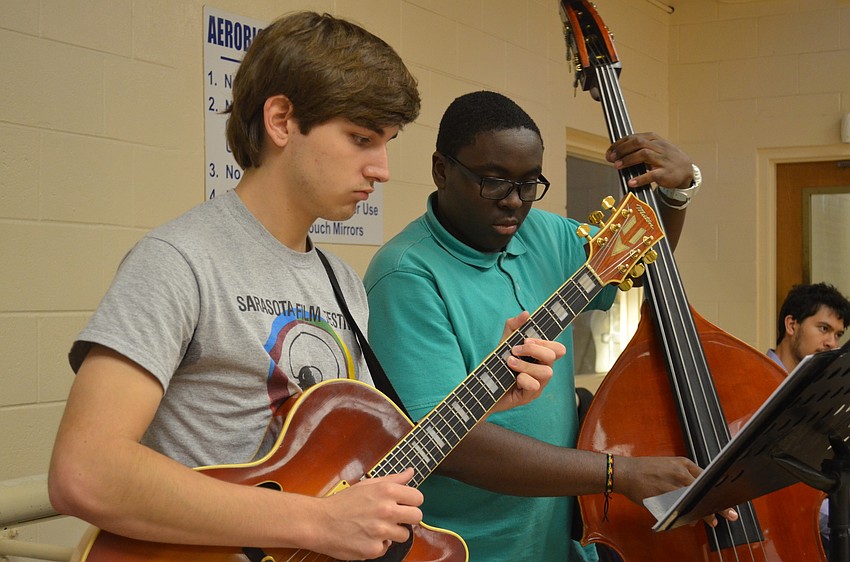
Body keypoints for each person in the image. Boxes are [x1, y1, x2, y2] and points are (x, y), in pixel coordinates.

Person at [46, 15, 562, 561]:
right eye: (361, 139)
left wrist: (485, 396)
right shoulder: (179, 262)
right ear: (281, 120)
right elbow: (86, 472)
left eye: (385, 143)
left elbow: (369, 456)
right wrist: (317, 521)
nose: (382, 169)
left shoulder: (341, 283)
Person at [363, 90, 732, 561]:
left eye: (529, 183)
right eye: (494, 182)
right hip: (464, 548)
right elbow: (449, 445)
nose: (515, 203)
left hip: (555, 542)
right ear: (441, 169)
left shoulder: (546, 232)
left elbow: (637, 262)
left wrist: (676, 195)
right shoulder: (406, 273)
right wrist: (618, 473)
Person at [766, 282, 850, 558]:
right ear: (792, 325)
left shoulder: (822, 395)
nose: (832, 344)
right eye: (823, 329)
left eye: (838, 334)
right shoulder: (754, 385)